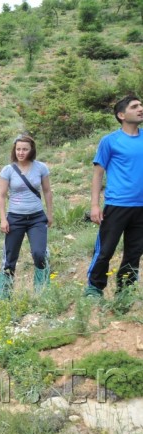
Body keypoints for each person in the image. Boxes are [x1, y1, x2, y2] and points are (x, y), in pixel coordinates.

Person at [86, 94, 143, 298]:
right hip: (117, 204)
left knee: (134, 253)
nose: (140, 108)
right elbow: (98, 174)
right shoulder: (110, 141)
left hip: (141, 207)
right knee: (105, 250)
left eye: (141, 105)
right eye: (135, 106)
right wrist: (94, 205)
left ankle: (125, 291)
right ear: (121, 114)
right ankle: (94, 289)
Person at [0, 134, 53, 299]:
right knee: (10, 258)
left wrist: (49, 213)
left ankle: (42, 292)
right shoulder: (7, 170)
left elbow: (47, 191)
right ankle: (4, 295)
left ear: (31, 150)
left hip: (36, 218)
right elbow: (1, 195)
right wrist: (3, 219)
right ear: (14, 150)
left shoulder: (41, 168)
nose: (21, 152)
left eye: (25, 149)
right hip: (15, 219)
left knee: (39, 253)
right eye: (18, 149)